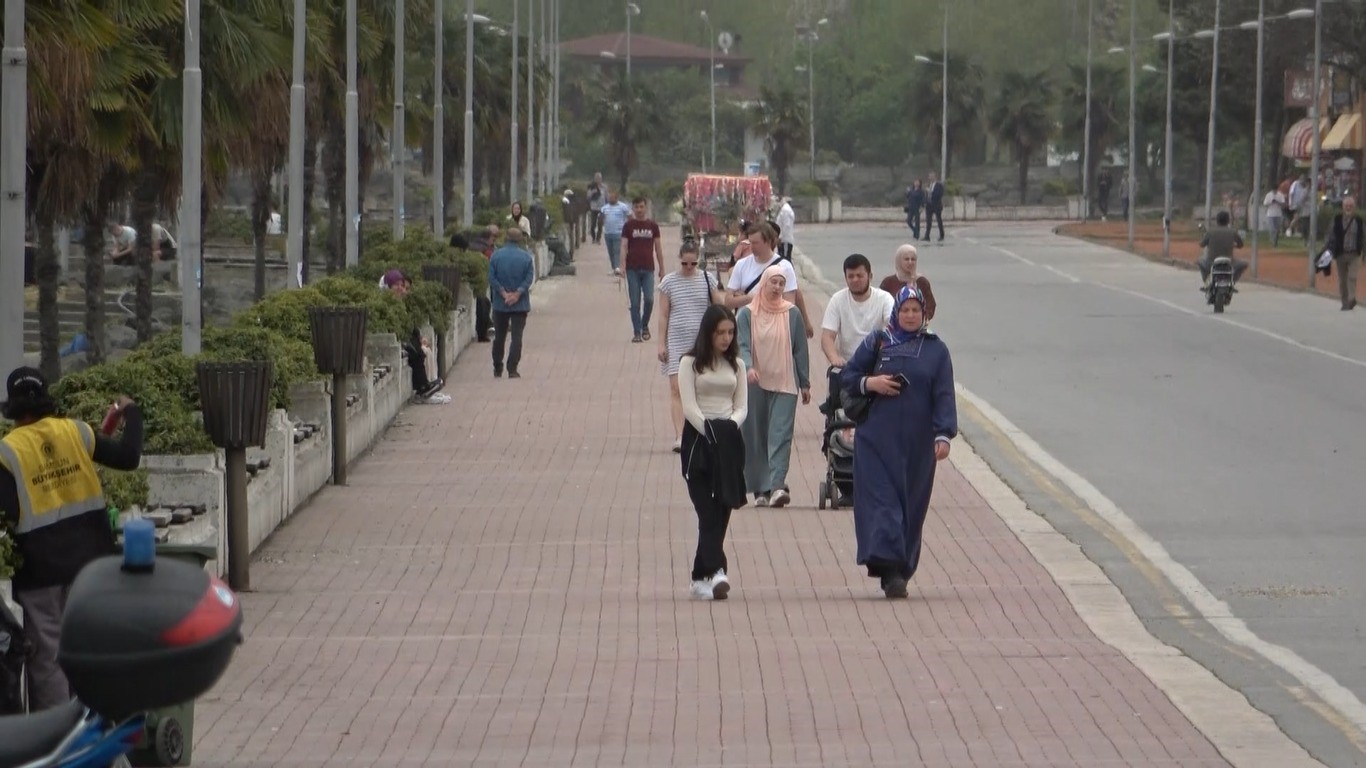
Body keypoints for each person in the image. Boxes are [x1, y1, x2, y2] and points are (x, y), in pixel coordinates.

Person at [0, 367, 144, 709]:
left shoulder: (6, 453)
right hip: (92, 569)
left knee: (49, 663)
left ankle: (58, 736)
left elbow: (7, 512)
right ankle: (99, 729)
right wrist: (132, 412)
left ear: (13, 408)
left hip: (41, 575)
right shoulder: (77, 432)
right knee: (92, 650)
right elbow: (128, 457)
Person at [839, 284, 957, 599]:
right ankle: (889, 570)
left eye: (916, 310)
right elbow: (848, 377)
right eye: (905, 310)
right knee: (883, 504)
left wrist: (944, 434)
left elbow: (944, 394)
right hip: (876, 440)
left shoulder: (936, 350)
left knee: (912, 507)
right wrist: (871, 383)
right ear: (896, 312)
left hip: (918, 446)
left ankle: (901, 569)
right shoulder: (879, 342)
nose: (910, 315)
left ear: (924, 314)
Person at [678, 305, 749, 600]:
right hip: (699, 442)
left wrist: (728, 427)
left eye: (730, 332)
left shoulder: (737, 365)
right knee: (706, 511)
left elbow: (742, 406)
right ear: (709, 333)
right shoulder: (690, 363)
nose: (726, 338)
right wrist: (709, 430)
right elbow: (688, 405)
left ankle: (700, 578)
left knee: (722, 509)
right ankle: (718, 570)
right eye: (720, 332)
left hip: (728, 440)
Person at [736, 265, 810, 508]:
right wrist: (748, 367)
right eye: (773, 282)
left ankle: (777, 485)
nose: (777, 287)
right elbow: (742, 345)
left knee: (780, 433)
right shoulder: (747, 314)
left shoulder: (792, 314)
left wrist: (805, 382)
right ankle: (760, 488)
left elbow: (800, 349)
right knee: (755, 435)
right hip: (755, 383)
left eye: (781, 283)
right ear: (764, 284)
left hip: (785, 382)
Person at [658, 239, 727, 452]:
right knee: (676, 388)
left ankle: (700, 430)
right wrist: (661, 343)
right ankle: (680, 436)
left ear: (698, 261)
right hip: (676, 340)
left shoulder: (707, 279)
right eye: (684, 264)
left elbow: (720, 306)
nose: (688, 267)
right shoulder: (668, 282)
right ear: (679, 260)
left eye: (693, 264)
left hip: (701, 341)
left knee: (700, 386)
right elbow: (663, 315)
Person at [725, 222, 815, 338]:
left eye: (756, 243)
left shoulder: (785, 266)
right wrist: (750, 298)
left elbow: (788, 305)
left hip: (773, 331)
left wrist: (748, 298)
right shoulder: (741, 265)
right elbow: (728, 302)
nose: (751, 247)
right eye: (750, 242)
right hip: (745, 329)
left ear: (767, 241)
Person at [383, 269, 448, 403]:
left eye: (401, 285)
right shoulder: (387, 304)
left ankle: (428, 386)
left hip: (407, 340)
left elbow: (411, 327)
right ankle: (423, 388)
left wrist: (419, 339)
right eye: (396, 285)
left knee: (423, 351)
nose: (400, 289)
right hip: (398, 342)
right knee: (418, 352)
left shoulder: (402, 303)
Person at [822, 253, 895, 368]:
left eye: (859, 276)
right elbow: (827, 336)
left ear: (870, 276)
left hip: (877, 363)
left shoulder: (884, 298)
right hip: (848, 364)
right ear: (845, 278)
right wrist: (834, 358)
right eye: (851, 276)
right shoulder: (837, 299)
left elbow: (892, 328)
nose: (855, 280)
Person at [489, 226, 535, 378]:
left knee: (499, 337)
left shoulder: (496, 256)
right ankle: (512, 368)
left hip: (500, 303)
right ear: (520, 240)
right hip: (520, 304)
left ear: (505, 238)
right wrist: (517, 293)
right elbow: (529, 278)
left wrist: (503, 293)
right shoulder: (526, 257)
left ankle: (497, 367)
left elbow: (492, 278)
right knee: (517, 337)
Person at [622, 197, 665, 343]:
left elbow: (658, 248)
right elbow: (623, 246)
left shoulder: (653, 226)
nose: (639, 210)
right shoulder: (628, 226)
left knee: (649, 299)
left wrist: (662, 268)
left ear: (646, 208)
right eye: (636, 207)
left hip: (648, 268)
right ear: (633, 209)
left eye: (641, 207)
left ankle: (644, 324)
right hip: (632, 269)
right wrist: (622, 266)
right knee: (634, 303)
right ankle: (637, 332)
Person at [878, 244, 938, 321]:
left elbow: (931, 306)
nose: (910, 262)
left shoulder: (922, 282)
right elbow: (879, 305)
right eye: (906, 259)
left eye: (913, 259)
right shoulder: (888, 282)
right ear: (899, 260)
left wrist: (920, 320)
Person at [1325, 195, 1363, 311]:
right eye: (1346, 205)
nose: (1348, 208)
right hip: (1340, 254)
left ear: (1354, 207)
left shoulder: (1359, 221)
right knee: (1342, 280)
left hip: (1354, 254)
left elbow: (1363, 236)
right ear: (1343, 207)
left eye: (1351, 206)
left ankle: (1351, 298)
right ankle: (1345, 302)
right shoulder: (1337, 219)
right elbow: (1330, 235)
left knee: (1352, 277)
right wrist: (1328, 249)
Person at [1198, 211, 1248, 288]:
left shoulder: (1210, 231)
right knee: (1244, 264)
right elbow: (1240, 245)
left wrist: (1206, 241)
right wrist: (1233, 245)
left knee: (1200, 261)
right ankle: (1232, 281)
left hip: (1211, 261)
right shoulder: (1233, 231)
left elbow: (1202, 244)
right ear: (1228, 221)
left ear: (1217, 220)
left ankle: (1206, 282)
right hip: (1229, 261)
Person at [599, 190, 632, 276]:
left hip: (619, 232)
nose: (610, 199)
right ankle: (614, 268)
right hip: (608, 232)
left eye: (612, 197)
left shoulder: (623, 206)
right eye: (609, 197)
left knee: (617, 251)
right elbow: (601, 218)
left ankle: (619, 268)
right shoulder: (604, 208)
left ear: (616, 198)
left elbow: (630, 216)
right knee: (611, 252)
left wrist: (629, 227)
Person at [923, 172, 945, 244]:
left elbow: (939, 194)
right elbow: (926, 195)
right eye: (929, 177)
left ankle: (941, 235)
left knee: (939, 220)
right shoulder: (928, 185)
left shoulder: (939, 185)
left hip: (936, 205)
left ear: (935, 177)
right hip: (929, 205)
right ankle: (927, 236)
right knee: (928, 221)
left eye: (932, 176)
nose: (930, 178)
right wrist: (925, 202)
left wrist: (931, 191)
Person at [587, 172, 606, 244]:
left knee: (600, 224)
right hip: (593, 208)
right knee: (593, 224)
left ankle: (598, 239)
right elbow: (588, 196)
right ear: (594, 179)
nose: (598, 180)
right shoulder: (591, 187)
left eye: (599, 178)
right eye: (596, 178)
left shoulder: (604, 187)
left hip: (602, 208)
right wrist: (592, 192)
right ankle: (593, 238)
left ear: (601, 179)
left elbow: (607, 197)